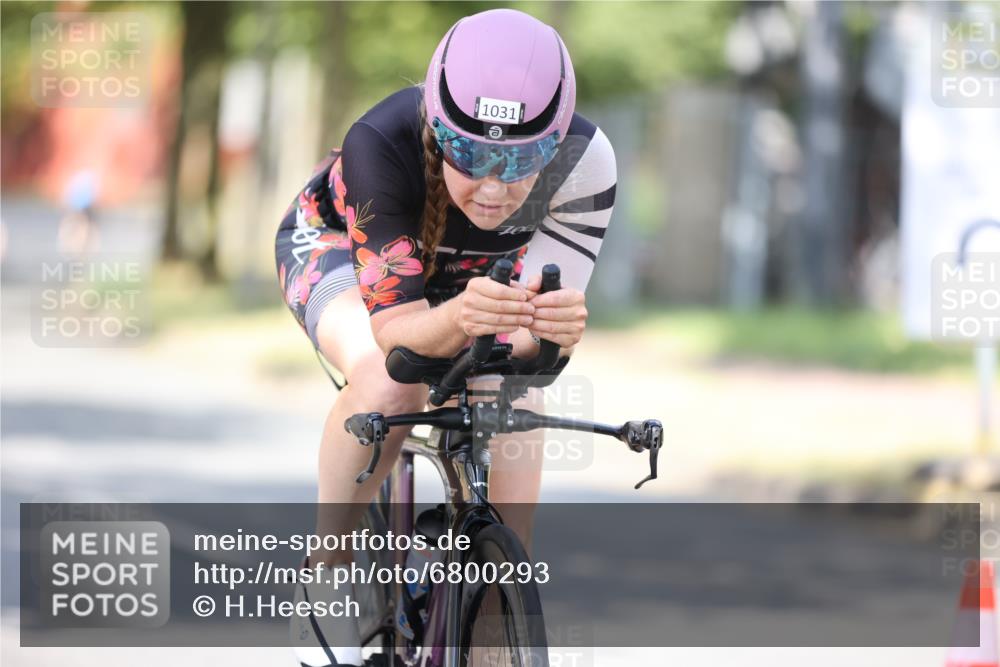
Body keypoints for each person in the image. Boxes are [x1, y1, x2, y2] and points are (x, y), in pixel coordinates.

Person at [274, 8, 616, 666]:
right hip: (339, 248)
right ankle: (328, 570)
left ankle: (502, 594)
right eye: (469, 152)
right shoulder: (382, 140)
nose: (492, 185)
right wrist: (460, 319)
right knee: (386, 380)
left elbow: (528, 360)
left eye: (520, 161)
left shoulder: (586, 162)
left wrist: (553, 336)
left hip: (467, 279)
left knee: (513, 399)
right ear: (436, 123)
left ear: (556, 142)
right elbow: (400, 338)